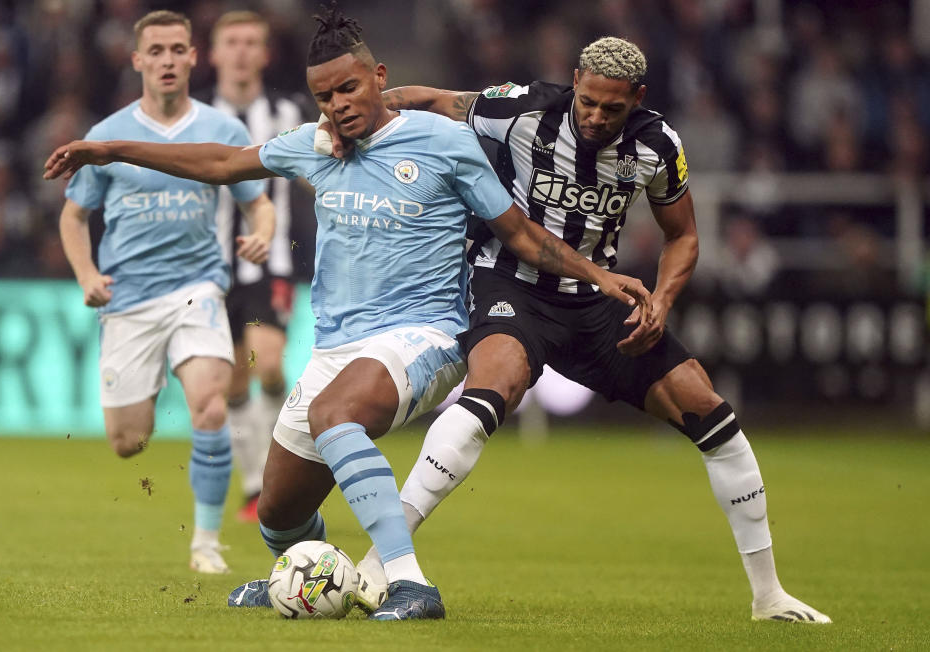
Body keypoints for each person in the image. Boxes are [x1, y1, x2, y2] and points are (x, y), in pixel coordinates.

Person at [44, 6, 653, 621]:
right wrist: (111, 150)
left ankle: (410, 583)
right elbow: (222, 164)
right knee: (278, 516)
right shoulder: (315, 145)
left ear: (378, 76)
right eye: (324, 95)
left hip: (425, 334)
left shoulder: (445, 142)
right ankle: (310, 571)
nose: (336, 104)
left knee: (337, 416)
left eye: (348, 88)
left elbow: (520, 233)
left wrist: (600, 276)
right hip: (337, 346)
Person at [347, 36, 832, 624]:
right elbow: (435, 99)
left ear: (639, 99)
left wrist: (663, 301)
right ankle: (378, 562)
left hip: (596, 297)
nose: (598, 117)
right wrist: (360, 110)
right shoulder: (521, 108)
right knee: (492, 387)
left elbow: (683, 236)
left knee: (710, 412)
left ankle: (768, 595)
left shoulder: (658, 146)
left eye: (614, 108)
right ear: (575, 81)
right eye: (589, 103)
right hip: (510, 284)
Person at [54, 10, 275, 574]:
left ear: (194, 57)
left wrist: (265, 233)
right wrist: (85, 275)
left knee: (209, 404)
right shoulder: (105, 137)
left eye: (178, 49)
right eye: (157, 51)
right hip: (127, 300)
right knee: (128, 441)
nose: (169, 60)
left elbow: (259, 199)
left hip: (198, 289)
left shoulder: (223, 130)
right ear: (138, 61)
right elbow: (74, 217)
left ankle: (206, 543)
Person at [198, 10, 309, 523]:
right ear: (215, 53)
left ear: (265, 54)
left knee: (266, 363)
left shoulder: (287, 113)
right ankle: (252, 487)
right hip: (211, 270)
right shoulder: (196, 118)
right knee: (233, 381)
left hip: (272, 264)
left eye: (251, 43)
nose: (241, 51)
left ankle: (276, 475)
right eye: (232, 42)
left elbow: (319, 172)